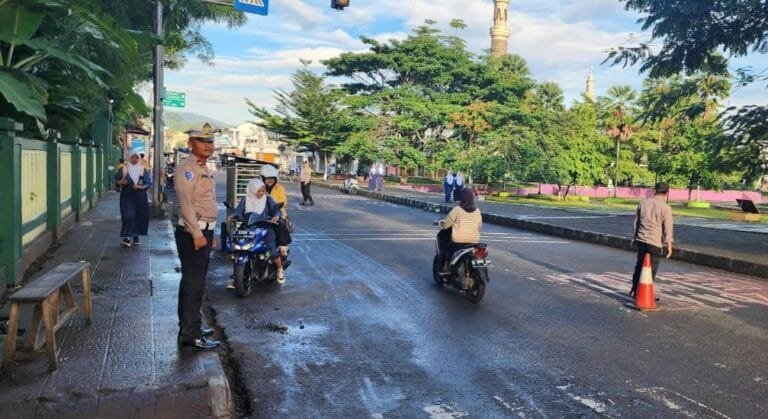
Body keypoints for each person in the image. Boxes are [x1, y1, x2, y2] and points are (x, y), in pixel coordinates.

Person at [174, 126, 220, 350]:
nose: (208, 146)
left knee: (194, 282)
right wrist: (197, 233)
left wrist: (211, 232)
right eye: (203, 141)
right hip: (193, 232)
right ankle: (191, 335)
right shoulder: (188, 168)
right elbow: (186, 204)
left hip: (204, 231)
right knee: (194, 284)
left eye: (210, 142)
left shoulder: (204, 167)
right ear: (191, 143)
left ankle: (190, 326)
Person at [230, 178, 286, 284]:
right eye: (258, 191)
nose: (261, 193)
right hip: (248, 227)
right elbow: (238, 210)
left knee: (272, 251)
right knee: (238, 250)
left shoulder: (268, 199)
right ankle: (236, 277)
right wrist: (233, 216)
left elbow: (276, 210)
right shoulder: (245, 199)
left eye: (262, 190)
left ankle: (279, 269)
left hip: (266, 227)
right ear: (252, 190)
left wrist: (276, 216)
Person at [630, 181, 674, 298]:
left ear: (655, 190)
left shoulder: (643, 203)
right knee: (651, 268)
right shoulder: (666, 207)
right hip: (655, 242)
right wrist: (668, 245)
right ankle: (645, 292)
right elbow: (667, 228)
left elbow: (636, 223)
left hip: (641, 239)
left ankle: (635, 289)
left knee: (639, 265)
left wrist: (635, 237)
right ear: (667, 193)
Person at [437, 188, 483, 275]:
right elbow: (479, 226)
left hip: (458, 241)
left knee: (446, 247)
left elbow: (446, 224)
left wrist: (441, 223)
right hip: (474, 241)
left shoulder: (457, 210)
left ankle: (446, 266)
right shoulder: (477, 210)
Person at [115, 150, 151, 247]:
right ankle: (127, 236)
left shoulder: (142, 170)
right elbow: (116, 182)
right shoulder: (124, 169)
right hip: (127, 195)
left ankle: (135, 236)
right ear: (129, 158)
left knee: (137, 216)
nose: (134, 159)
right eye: (132, 157)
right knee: (128, 215)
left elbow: (148, 182)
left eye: (136, 157)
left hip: (140, 196)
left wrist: (140, 187)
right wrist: (120, 182)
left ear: (139, 158)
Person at [260, 164, 291, 257]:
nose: (270, 180)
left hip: (277, 212)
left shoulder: (280, 188)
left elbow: (283, 201)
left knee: (281, 224)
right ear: (263, 178)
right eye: (267, 178)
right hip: (261, 214)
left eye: (272, 178)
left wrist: (271, 199)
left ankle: (283, 246)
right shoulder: (259, 188)